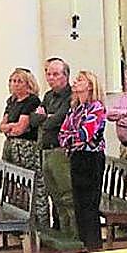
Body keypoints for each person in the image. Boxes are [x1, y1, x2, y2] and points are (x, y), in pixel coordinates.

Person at [58, 70, 108, 251]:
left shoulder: (97, 107)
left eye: (80, 80)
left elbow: (85, 135)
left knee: (89, 204)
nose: (75, 82)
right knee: (78, 203)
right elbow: (62, 134)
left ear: (90, 85)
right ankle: (83, 244)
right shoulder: (75, 108)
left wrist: (71, 139)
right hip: (77, 157)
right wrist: (71, 139)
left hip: (91, 158)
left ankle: (94, 246)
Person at [29, 58, 75, 232]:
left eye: (55, 74)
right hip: (46, 150)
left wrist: (46, 118)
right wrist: (44, 117)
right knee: (54, 196)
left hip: (60, 151)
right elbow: (34, 119)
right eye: (48, 74)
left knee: (66, 196)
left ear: (66, 76)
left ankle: (72, 234)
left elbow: (57, 121)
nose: (50, 78)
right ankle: (61, 231)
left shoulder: (70, 96)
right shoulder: (48, 96)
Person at [0, 68, 41, 170]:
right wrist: (11, 126)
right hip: (10, 143)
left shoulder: (31, 100)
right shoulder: (11, 101)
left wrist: (9, 127)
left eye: (19, 81)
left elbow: (20, 129)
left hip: (25, 147)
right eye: (13, 81)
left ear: (28, 84)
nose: (15, 84)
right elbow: (1, 126)